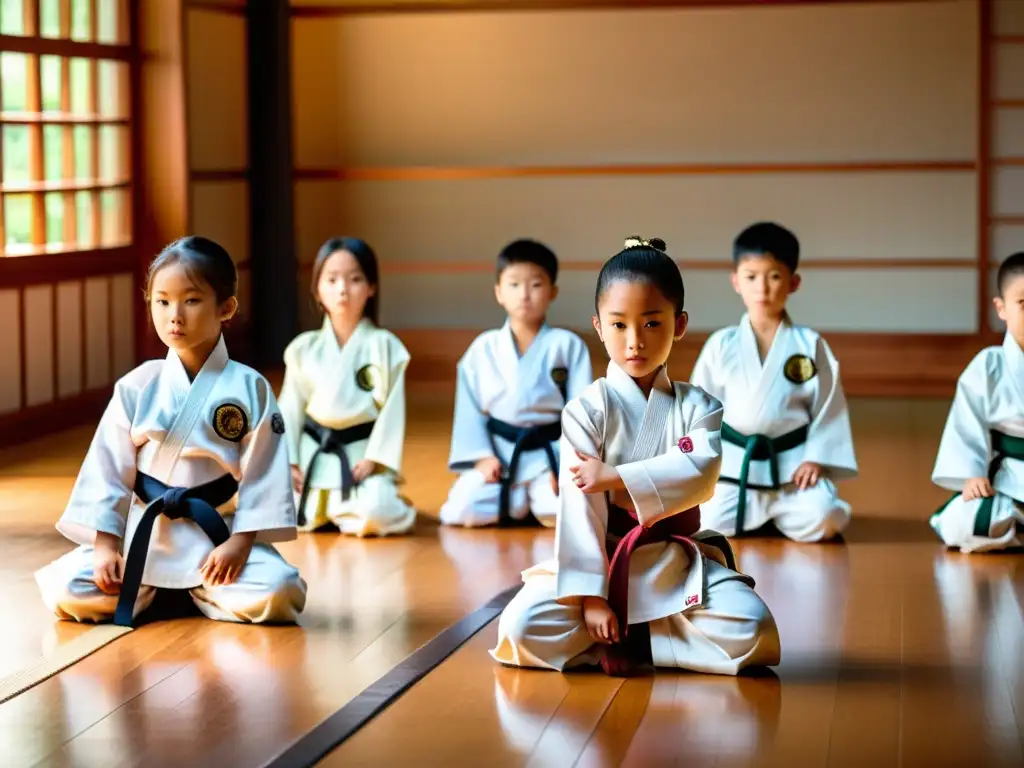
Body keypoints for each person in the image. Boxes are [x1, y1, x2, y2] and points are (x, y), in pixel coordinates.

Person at [490, 236, 781, 677]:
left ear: (679, 324)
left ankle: (645, 635)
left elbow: (699, 474)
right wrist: (591, 597)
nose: (634, 342)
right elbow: (579, 511)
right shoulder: (585, 411)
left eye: (651, 324)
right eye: (619, 325)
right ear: (598, 325)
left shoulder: (699, 408)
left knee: (754, 629)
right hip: (603, 562)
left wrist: (615, 477)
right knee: (521, 626)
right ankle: (652, 635)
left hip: (672, 563)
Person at [34, 236, 307, 626]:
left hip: (214, 537)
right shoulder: (138, 384)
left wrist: (240, 544)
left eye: (191, 300)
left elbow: (264, 477)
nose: (173, 315)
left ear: (226, 307)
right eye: (161, 301)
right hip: (144, 535)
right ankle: (178, 595)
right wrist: (106, 547)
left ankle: (181, 593)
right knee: (66, 588)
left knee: (280, 591)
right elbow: (108, 470)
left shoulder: (250, 388)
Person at [690, 222, 857, 542]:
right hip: (735, 467)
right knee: (705, 520)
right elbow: (699, 407)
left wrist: (817, 457)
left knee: (826, 517)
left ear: (793, 282)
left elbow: (828, 406)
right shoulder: (721, 344)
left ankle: (772, 513)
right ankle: (763, 515)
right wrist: (701, 459)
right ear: (736, 281)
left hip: (793, 471)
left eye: (774, 276)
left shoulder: (810, 345)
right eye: (751, 277)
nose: (762, 289)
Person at [440, 239, 592, 528]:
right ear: (498, 292)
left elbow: (581, 414)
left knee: (569, 511)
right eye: (513, 285)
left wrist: (563, 462)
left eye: (535, 285)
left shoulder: (567, 346)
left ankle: (528, 501)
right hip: (499, 454)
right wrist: (482, 457)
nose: (524, 294)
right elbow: (469, 412)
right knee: (459, 510)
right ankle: (523, 502)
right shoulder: (482, 348)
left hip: (549, 453)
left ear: (553, 291)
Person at [279, 237, 416, 537]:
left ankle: (347, 508)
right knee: (272, 504)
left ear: (371, 287)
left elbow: (393, 412)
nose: (342, 289)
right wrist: (288, 461)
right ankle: (337, 511)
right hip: (312, 456)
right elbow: (289, 409)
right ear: (317, 289)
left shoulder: (386, 347)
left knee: (376, 510)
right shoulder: (303, 349)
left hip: (360, 458)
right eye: (331, 279)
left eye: (355, 279)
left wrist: (376, 459)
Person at [930, 251, 1024, 553]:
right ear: (1002, 308)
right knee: (963, 523)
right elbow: (967, 424)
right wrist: (972, 473)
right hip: (1008, 477)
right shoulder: (988, 366)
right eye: (1023, 303)